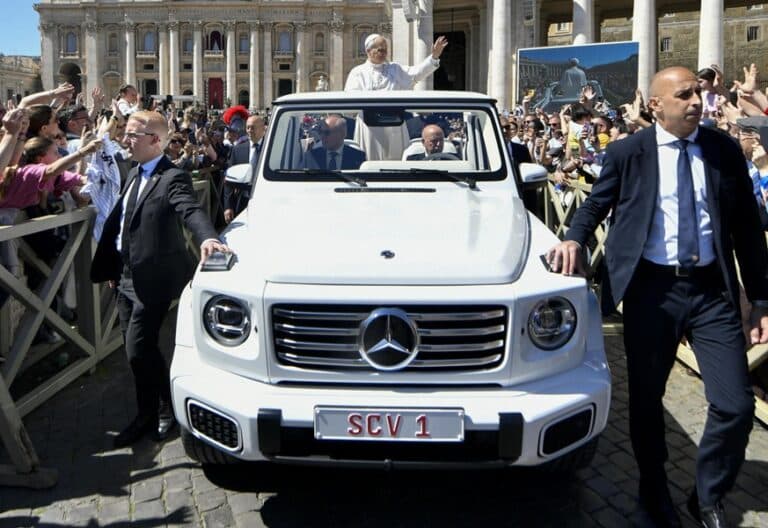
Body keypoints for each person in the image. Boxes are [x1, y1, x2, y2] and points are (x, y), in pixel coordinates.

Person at [546, 67, 768, 527]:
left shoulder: (722, 150)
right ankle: (652, 492)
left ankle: (707, 494)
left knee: (735, 405)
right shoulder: (629, 152)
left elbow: (747, 227)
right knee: (647, 400)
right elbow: (594, 205)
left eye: (699, 94)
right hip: (651, 291)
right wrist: (574, 239)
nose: (695, 102)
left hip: (711, 293)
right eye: (684, 94)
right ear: (656, 105)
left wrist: (761, 300)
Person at [90, 110, 230, 448]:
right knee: (135, 350)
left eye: (133, 135)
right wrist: (116, 264)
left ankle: (160, 409)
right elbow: (124, 221)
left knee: (139, 349)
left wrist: (208, 237)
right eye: (125, 134)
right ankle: (150, 411)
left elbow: (191, 209)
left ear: (155, 140)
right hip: (124, 275)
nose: (125, 140)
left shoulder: (172, 177)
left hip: (152, 278)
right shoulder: (132, 172)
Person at [345, 33, 448, 160]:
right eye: (380, 50)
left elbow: (417, 73)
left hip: (394, 125)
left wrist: (434, 56)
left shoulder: (395, 69)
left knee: (396, 163)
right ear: (368, 51)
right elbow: (350, 102)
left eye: (386, 50)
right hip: (370, 128)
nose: (384, 53)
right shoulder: (358, 73)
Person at [223, 113, 266, 223]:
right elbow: (229, 180)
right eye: (248, 127)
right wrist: (228, 206)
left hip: (266, 199)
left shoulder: (271, 149)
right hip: (243, 201)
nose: (250, 130)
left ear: (263, 129)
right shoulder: (238, 150)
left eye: (253, 127)